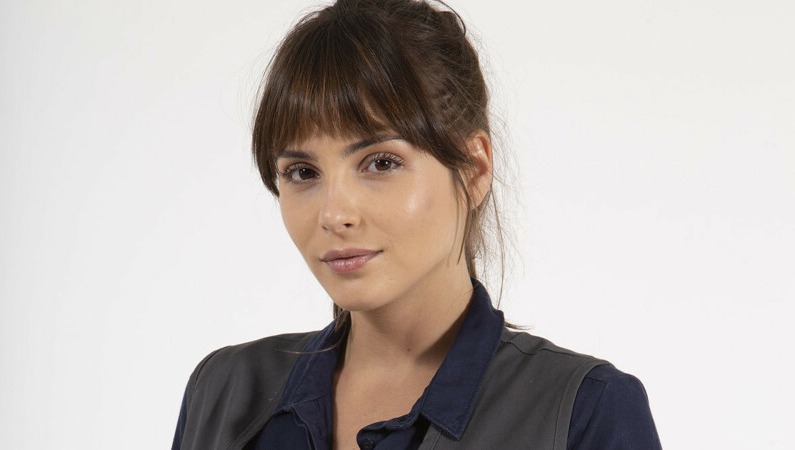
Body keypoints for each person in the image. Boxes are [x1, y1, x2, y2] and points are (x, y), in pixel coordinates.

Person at [172, 0, 662, 448]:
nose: (334, 215)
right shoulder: (223, 394)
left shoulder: (584, 413)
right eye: (303, 173)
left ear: (474, 171)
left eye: (380, 163)